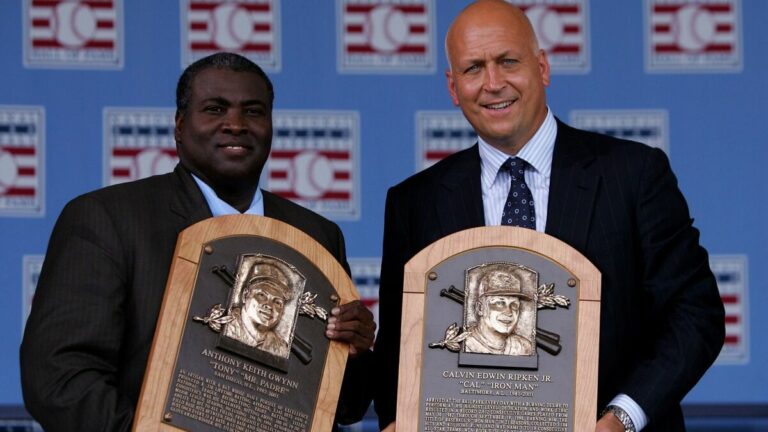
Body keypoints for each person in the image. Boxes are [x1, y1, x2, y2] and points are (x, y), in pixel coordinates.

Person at [373, 1, 724, 431]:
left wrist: (620, 419)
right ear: (452, 87)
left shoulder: (632, 174)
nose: (493, 83)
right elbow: (398, 353)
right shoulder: (414, 202)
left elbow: (694, 315)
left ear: (542, 68)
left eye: (507, 62)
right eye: (473, 69)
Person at [20, 52, 376, 432]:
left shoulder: (316, 236)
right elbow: (59, 378)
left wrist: (355, 352)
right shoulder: (107, 218)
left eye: (253, 111)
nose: (236, 124)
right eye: (215, 109)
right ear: (179, 124)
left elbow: (346, 407)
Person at [224, 266, 295, 358]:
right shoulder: (224, 325)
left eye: (277, 302)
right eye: (262, 295)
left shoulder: (281, 349)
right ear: (245, 295)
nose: (269, 306)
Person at [464, 270, 534, 356]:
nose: (509, 312)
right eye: (499, 303)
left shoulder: (524, 347)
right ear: (480, 308)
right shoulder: (465, 343)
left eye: (514, 305)